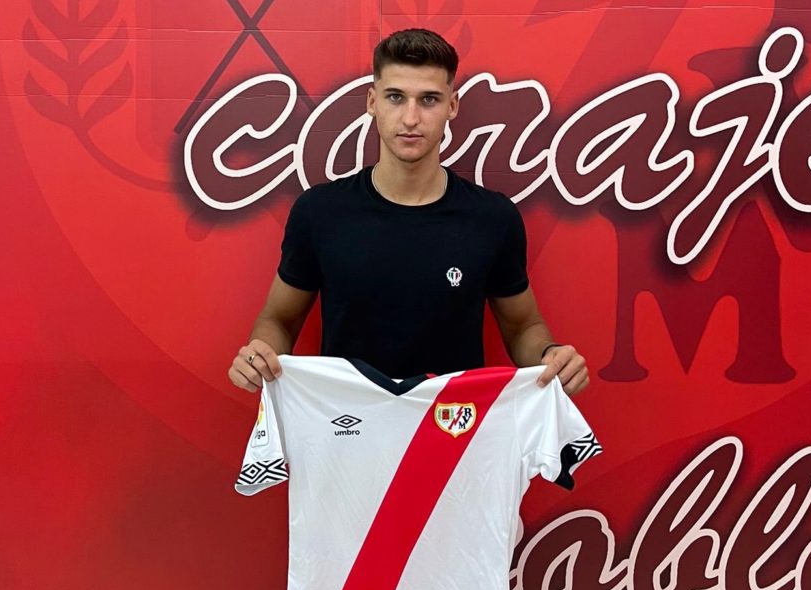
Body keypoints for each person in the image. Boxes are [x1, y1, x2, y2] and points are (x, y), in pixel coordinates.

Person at [228, 28, 588, 396]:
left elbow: (522, 327)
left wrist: (549, 356)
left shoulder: (493, 218)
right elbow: (280, 319)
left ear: (452, 105)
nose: (411, 118)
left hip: (452, 423)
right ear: (373, 102)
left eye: (429, 99)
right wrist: (260, 355)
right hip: (346, 422)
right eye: (395, 97)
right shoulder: (319, 212)